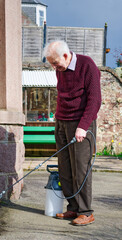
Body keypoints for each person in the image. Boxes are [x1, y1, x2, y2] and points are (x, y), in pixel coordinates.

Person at [43, 41, 101, 226]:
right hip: (62, 122)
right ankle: (73, 208)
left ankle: (86, 212)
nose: (54, 67)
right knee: (65, 168)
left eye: (55, 63)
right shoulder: (60, 69)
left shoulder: (87, 65)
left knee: (80, 169)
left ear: (66, 56)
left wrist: (83, 126)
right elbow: (62, 95)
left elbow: (95, 100)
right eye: (51, 64)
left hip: (81, 124)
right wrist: (58, 121)